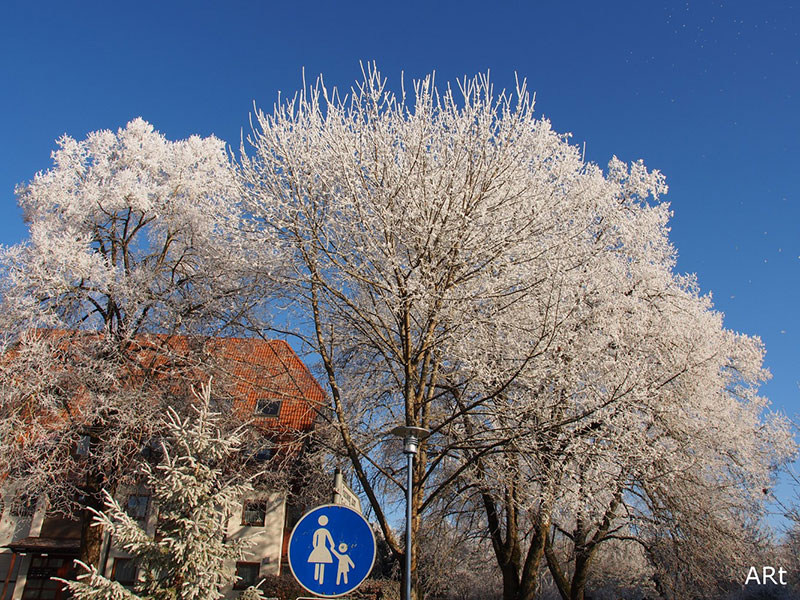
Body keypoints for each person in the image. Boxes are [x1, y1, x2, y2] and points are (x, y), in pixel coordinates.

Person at [308, 515, 334, 584]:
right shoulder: (323, 531)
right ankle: (318, 579)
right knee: (319, 562)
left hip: (319, 548)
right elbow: (330, 540)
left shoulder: (319, 531)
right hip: (321, 548)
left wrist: (315, 546)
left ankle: (319, 579)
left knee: (319, 562)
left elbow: (314, 540)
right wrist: (332, 545)